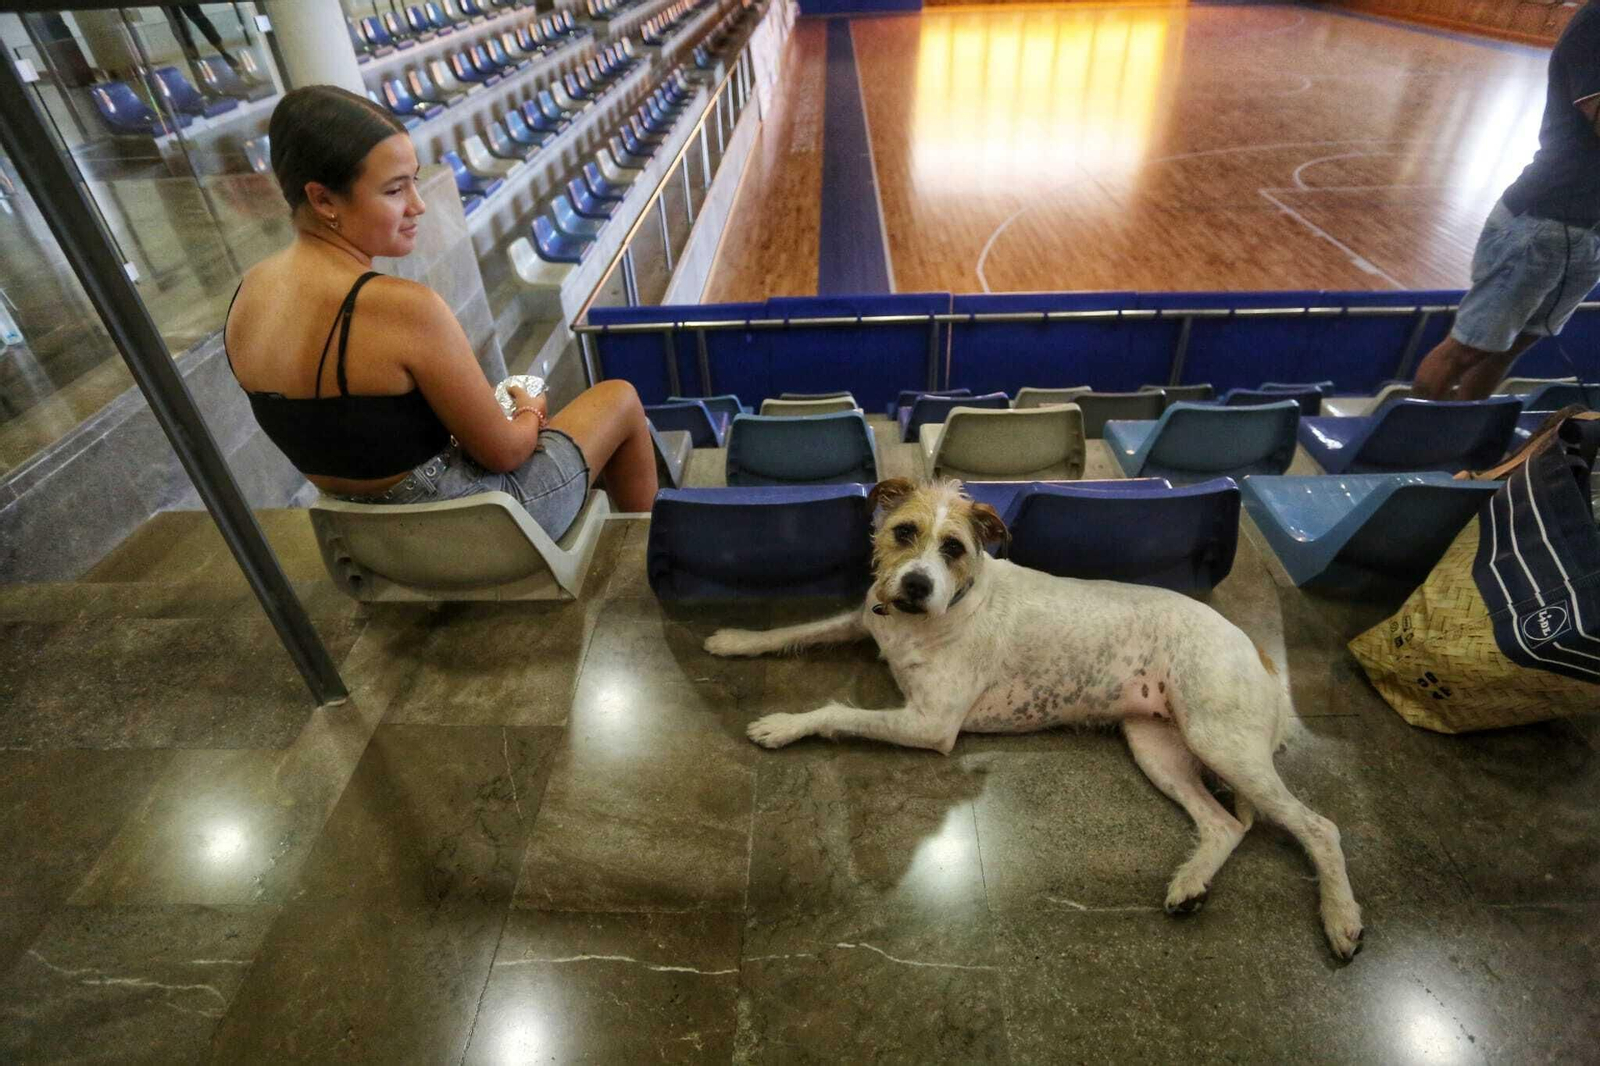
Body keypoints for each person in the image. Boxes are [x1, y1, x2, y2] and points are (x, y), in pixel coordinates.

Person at [224, 86, 657, 539]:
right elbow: (505, 454)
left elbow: (354, 434)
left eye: (414, 180)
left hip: (361, 536)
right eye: (395, 189)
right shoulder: (401, 307)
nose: (419, 204)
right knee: (620, 399)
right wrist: (531, 408)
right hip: (470, 530)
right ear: (323, 199)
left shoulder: (249, 295)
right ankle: (652, 553)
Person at [1413, 1, 1600, 401]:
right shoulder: (1596, 21)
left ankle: (1461, 430)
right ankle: (1411, 434)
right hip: (1541, 222)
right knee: (1467, 349)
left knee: (1511, 347)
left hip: (1591, 232)